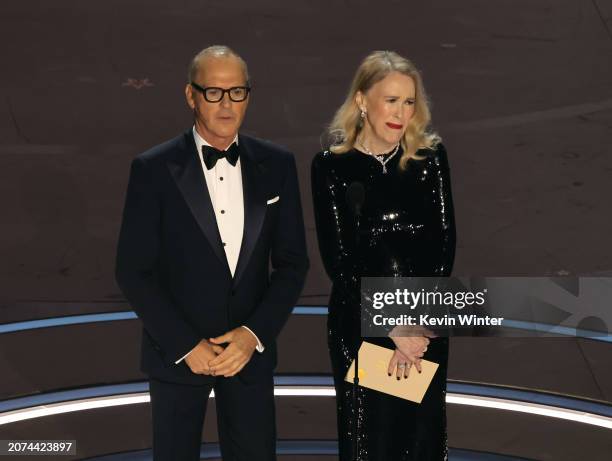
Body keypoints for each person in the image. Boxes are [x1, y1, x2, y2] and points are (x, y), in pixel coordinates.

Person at [115, 45, 309, 461]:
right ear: (191, 96)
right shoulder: (153, 169)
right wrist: (188, 345)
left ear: (248, 96)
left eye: (236, 92)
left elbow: (293, 264)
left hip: (249, 359)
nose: (226, 104)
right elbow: (133, 271)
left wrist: (253, 335)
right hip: (177, 357)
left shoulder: (277, 164)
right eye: (214, 93)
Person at [311, 50, 456, 460]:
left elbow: (444, 247)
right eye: (391, 100)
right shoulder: (330, 168)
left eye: (409, 101)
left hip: (423, 325)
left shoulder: (430, 160)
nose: (401, 112)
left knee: (419, 440)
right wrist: (392, 328)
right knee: (373, 442)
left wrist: (414, 327)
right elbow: (339, 260)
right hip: (362, 326)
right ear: (362, 100)